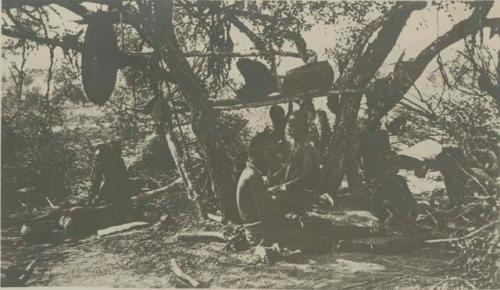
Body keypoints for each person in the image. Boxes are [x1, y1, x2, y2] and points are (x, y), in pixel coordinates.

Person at [236, 131, 330, 253]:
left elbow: (265, 211)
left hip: (261, 230)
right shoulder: (252, 177)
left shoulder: (251, 172)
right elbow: (267, 220)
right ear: (261, 153)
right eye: (271, 154)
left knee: (318, 230)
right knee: (322, 242)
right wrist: (296, 222)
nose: (274, 158)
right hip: (261, 235)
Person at [268, 111, 320, 215]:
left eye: (295, 125)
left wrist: (286, 186)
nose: (291, 128)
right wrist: (272, 177)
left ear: (304, 127)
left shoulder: (306, 147)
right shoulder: (297, 145)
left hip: (301, 191)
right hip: (293, 189)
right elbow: (287, 166)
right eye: (290, 124)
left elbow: (306, 174)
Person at [370, 151, 418, 231]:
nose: (398, 167)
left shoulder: (400, 179)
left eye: (398, 165)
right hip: (388, 211)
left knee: (416, 204)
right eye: (395, 165)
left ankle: (408, 220)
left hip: (401, 209)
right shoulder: (382, 180)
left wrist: (413, 206)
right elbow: (379, 201)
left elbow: (408, 195)